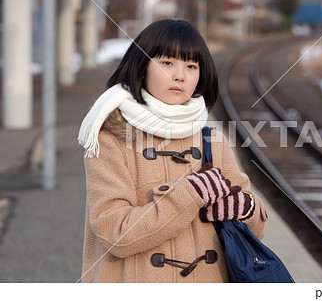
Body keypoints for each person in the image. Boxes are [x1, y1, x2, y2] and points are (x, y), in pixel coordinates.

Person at [78, 19, 268, 283]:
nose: (180, 75)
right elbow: (114, 234)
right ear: (141, 67)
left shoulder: (212, 141)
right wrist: (190, 195)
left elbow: (255, 226)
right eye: (167, 63)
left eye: (191, 66)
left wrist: (246, 208)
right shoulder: (109, 138)